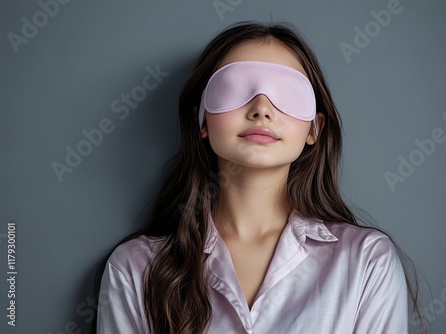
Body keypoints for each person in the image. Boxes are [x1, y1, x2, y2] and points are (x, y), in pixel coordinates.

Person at [94, 21, 425, 334]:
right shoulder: (135, 268)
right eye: (235, 88)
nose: (262, 109)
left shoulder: (367, 261)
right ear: (202, 121)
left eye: (288, 93)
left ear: (315, 128)